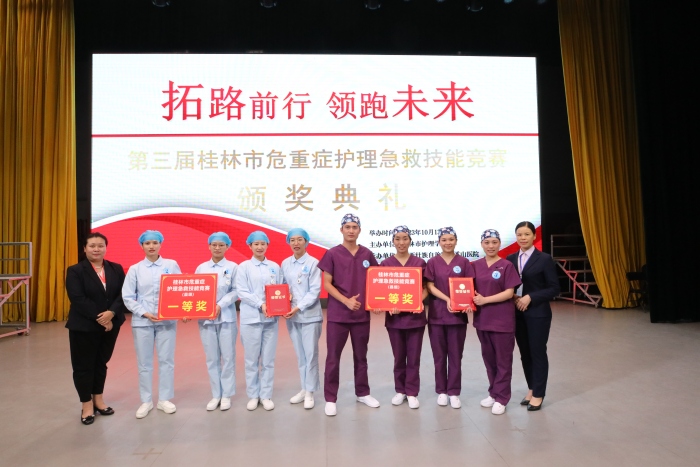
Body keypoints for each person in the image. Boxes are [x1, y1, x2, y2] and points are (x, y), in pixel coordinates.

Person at [318, 213, 380, 416]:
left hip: (361, 315)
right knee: (333, 357)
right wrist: (345, 301)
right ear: (341, 230)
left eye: (355, 227)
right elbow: (327, 284)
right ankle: (330, 398)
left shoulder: (367, 254)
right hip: (338, 316)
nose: (351, 230)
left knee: (361, 356)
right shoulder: (332, 254)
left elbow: (376, 281)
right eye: (347, 227)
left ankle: (363, 393)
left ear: (359, 230)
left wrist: (377, 302)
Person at [65, 232, 127, 425]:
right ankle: (86, 405)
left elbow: (123, 294)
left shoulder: (116, 268)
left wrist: (112, 313)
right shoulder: (75, 271)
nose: (96, 249)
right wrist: (102, 318)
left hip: (111, 325)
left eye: (100, 245)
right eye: (92, 246)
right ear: (85, 248)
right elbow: (78, 298)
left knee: (101, 363)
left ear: (106, 248)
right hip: (84, 326)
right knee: (83, 366)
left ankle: (98, 400)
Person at [122, 230, 182, 419]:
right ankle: (146, 401)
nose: (151, 246)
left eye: (155, 242)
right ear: (142, 246)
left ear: (160, 244)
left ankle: (164, 399)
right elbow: (128, 296)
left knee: (166, 360)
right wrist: (145, 313)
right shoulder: (135, 269)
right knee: (144, 362)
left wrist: (182, 311)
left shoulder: (171, 265)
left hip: (167, 321)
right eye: (147, 243)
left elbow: (180, 289)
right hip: (143, 322)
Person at [506, 221, 560, 411]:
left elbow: (554, 288)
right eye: (519, 234)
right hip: (517, 312)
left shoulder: (544, 259)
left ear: (534, 236)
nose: (523, 238)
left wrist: (531, 297)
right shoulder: (511, 258)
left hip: (538, 313)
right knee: (525, 353)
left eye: (527, 234)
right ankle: (531, 388)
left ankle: (539, 393)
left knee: (537, 352)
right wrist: (512, 296)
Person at [472, 229, 521, 415]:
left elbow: (509, 293)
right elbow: (467, 288)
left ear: (499, 244)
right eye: (487, 243)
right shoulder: (475, 265)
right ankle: (493, 393)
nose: (490, 246)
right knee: (489, 359)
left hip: (502, 321)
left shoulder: (506, 265)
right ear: (482, 244)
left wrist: (485, 300)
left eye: (494, 242)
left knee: (503, 361)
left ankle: (502, 397)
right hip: (482, 321)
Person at [425, 226, 475, 409]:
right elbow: (429, 286)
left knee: (455, 355)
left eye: (451, 239)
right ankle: (441, 391)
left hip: (457, 317)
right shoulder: (432, 262)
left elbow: (469, 286)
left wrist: (467, 303)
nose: (448, 243)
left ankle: (453, 392)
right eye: (444, 239)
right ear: (439, 241)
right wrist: (448, 299)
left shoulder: (463, 262)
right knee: (439, 356)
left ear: (456, 241)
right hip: (437, 315)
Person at [379, 226, 428, 409]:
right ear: (392, 241)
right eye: (397, 239)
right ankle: (400, 390)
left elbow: (426, 288)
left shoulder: (419, 262)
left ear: (410, 240)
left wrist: (417, 301)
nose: (401, 242)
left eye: (405, 238)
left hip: (415, 319)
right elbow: (381, 291)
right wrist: (386, 305)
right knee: (399, 357)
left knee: (413, 357)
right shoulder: (386, 264)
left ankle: (412, 392)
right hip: (395, 320)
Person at [236, 231, 282, 411]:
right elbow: (242, 291)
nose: (260, 247)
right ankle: (253, 395)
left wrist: (281, 303)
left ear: (267, 245)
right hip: (251, 319)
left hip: (271, 320)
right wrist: (260, 304)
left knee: (268, 359)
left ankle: (266, 395)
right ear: (250, 246)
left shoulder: (274, 266)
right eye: (256, 244)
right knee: (251, 360)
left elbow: (280, 289)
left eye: (263, 243)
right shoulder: (244, 267)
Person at [193, 232, 239, 412]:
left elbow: (236, 290)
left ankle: (226, 394)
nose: (217, 248)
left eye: (221, 245)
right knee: (212, 358)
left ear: (227, 247)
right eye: (214, 245)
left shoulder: (233, 267)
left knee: (228, 357)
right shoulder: (201, 268)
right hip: (206, 320)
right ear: (209, 246)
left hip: (226, 317)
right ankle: (216, 394)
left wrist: (220, 305)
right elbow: (195, 291)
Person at [280, 228, 322, 410]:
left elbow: (315, 291)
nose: (296, 243)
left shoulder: (313, 263)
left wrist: (298, 307)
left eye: (300, 240)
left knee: (311, 355)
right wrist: (283, 303)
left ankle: (311, 392)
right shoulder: (285, 263)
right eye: (292, 240)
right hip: (292, 316)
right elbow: (282, 287)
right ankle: (304, 388)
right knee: (300, 355)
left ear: (306, 242)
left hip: (310, 315)